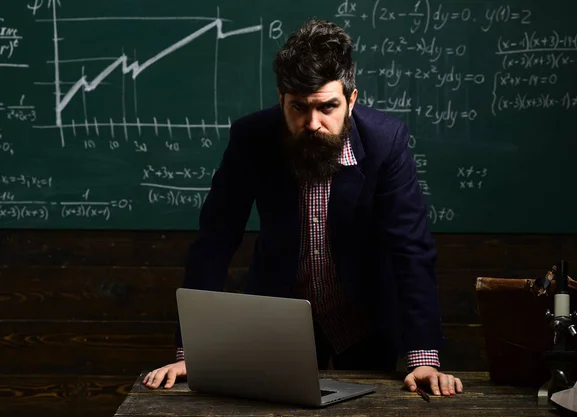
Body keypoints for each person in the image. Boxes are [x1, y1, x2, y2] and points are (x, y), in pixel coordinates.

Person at [143, 18, 463, 397]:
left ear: (351, 100)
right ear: (281, 99)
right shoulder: (251, 139)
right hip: (278, 322)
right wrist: (190, 352)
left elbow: (410, 249)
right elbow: (215, 241)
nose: (312, 123)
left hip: (366, 317)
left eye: (327, 107)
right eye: (298, 108)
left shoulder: (386, 142)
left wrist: (422, 356)